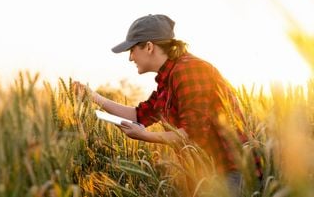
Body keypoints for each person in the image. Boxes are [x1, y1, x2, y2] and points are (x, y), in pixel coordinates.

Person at [74, 14, 253, 196]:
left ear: (149, 47)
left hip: (231, 174)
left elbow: (193, 134)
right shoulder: (168, 79)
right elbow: (139, 115)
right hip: (208, 174)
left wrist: (145, 136)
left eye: (132, 50)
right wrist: (95, 97)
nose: (130, 58)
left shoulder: (189, 70)